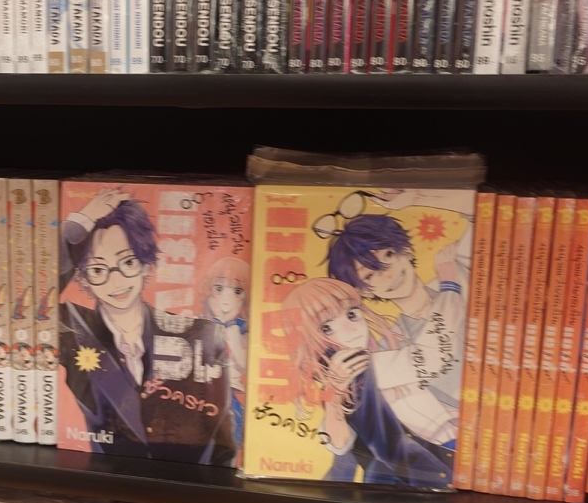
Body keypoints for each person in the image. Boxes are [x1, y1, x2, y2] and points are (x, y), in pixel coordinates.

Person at [60, 187, 235, 464]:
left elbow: (221, 441)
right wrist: (80, 224)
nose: (116, 281)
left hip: (188, 482)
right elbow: (31, 294)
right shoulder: (74, 330)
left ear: (145, 263)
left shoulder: (201, 335)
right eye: (97, 269)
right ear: (82, 278)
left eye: (128, 262)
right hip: (104, 478)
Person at [278, 277, 456, 487]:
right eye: (326, 328)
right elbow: (344, 448)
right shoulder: (354, 374)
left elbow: (345, 453)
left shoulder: (371, 364)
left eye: (352, 315)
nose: (351, 329)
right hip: (416, 473)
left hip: (421, 465)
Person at [323, 188, 473, 429]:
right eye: (370, 274)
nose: (388, 273)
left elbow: (483, 208)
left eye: (389, 255)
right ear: (364, 291)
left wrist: (416, 197)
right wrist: (449, 287)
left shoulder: (457, 270)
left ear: (406, 251)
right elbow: (431, 357)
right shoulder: (389, 346)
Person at [203, 255, 249, 449]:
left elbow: (244, 364)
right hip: (203, 394)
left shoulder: (243, 329)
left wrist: (231, 330)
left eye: (237, 291)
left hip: (232, 396)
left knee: (231, 437)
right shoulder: (202, 325)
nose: (226, 300)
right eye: (219, 289)